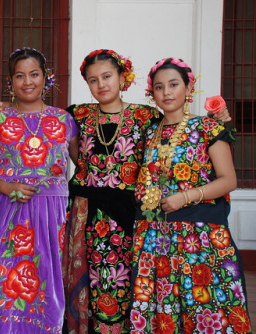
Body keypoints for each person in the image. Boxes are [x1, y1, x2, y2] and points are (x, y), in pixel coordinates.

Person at [130, 58, 251, 333]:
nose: (167, 92)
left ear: (188, 87)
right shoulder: (150, 132)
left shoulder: (208, 129)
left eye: (174, 84)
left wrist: (184, 197)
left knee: (203, 307)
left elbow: (228, 180)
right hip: (155, 238)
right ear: (153, 94)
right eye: (159, 87)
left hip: (199, 237)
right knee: (163, 309)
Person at [0, 47, 79, 333]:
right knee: (5, 285)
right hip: (6, 211)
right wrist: (6, 186)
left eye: (34, 74)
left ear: (45, 78)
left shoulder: (65, 120)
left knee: (50, 283)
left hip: (51, 214)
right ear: (11, 81)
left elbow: (86, 165)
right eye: (19, 76)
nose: (27, 81)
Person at [62, 49, 159, 334]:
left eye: (106, 76)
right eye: (93, 80)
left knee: (125, 280)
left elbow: (170, 148)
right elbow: (45, 126)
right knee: (87, 284)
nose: (101, 84)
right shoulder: (77, 114)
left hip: (127, 215)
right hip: (86, 216)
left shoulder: (147, 116)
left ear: (121, 77)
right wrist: (3, 105)